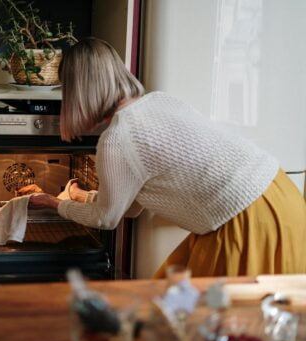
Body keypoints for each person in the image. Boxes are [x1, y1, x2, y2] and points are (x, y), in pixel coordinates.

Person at [28, 37, 306, 277]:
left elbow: (107, 219)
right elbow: (132, 205)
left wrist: (53, 203)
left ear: (77, 90)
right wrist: (79, 196)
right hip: (280, 196)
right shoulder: (161, 101)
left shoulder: (117, 138)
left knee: (222, 323)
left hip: (246, 224)